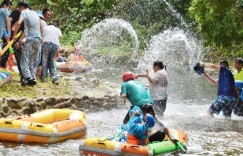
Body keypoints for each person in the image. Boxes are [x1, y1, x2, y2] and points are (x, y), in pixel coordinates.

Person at [13, 1, 42, 86]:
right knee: (32, 60)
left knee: (24, 59)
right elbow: (26, 31)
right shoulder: (35, 14)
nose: (18, 10)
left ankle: (28, 78)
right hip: (38, 40)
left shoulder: (24, 12)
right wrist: (19, 41)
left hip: (31, 39)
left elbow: (18, 23)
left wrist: (14, 35)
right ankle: (33, 78)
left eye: (18, 8)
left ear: (21, 7)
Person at [5, 8, 25, 81]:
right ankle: (2, 71)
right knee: (5, 55)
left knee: (19, 57)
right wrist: (10, 33)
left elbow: (25, 31)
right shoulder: (16, 12)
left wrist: (19, 41)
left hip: (17, 39)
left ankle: (23, 76)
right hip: (9, 37)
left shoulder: (27, 16)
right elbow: (9, 21)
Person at [0, 0, 12, 67]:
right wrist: (9, 33)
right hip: (2, 33)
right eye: (9, 6)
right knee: (2, 51)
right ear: (5, 5)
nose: (9, 8)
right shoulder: (5, 10)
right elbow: (8, 21)